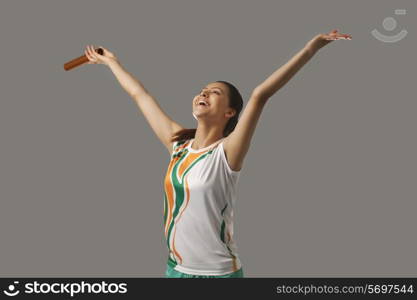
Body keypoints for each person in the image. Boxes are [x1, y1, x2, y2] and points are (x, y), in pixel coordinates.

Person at [84, 29, 352, 278]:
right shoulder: (178, 146)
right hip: (175, 270)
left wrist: (311, 48)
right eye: (203, 90)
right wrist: (112, 62)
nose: (205, 92)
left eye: (215, 93)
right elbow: (139, 95)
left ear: (230, 112)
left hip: (219, 275)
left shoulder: (227, 153)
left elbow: (260, 94)